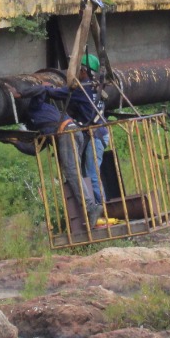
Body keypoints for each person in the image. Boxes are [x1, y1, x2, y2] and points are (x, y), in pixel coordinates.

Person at [15, 82, 106, 231]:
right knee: (73, 171)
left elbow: (40, 89)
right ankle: (87, 209)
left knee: (71, 171)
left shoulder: (35, 107)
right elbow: (34, 149)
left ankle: (91, 208)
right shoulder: (40, 125)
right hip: (73, 131)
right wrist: (13, 142)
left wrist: (20, 93)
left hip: (66, 132)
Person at [68, 53, 113, 215]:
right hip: (99, 134)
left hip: (95, 136)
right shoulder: (97, 88)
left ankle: (103, 210)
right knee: (89, 174)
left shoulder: (83, 90)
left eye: (78, 68)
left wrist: (47, 89)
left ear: (84, 71)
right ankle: (96, 209)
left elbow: (66, 98)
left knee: (92, 175)